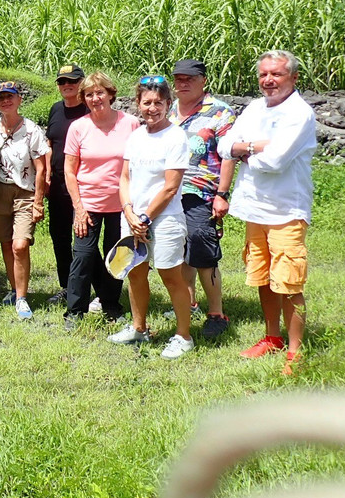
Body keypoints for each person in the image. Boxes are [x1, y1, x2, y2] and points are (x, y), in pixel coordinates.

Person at [219, 50, 317, 375]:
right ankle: (272, 336)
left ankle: (295, 351)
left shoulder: (299, 114)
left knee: (288, 282)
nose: (268, 80)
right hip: (253, 207)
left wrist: (245, 149)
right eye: (264, 74)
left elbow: (275, 162)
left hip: (286, 210)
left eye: (276, 74)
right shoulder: (254, 107)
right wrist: (257, 146)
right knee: (262, 277)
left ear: (293, 78)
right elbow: (224, 146)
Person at [110, 76, 194, 359]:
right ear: (138, 104)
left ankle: (184, 336)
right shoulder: (135, 137)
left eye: (159, 102)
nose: (152, 108)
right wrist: (128, 211)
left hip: (165, 219)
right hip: (133, 217)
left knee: (172, 277)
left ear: (169, 104)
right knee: (135, 274)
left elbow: (170, 187)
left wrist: (143, 218)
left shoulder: (175, 137)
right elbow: (124, 178)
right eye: (147, 102)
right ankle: (139, 328)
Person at [63, 71, 141, 329]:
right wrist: (79, 207)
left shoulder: (130, 123)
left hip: (121, 205)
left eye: (100, 92)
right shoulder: (78, 127)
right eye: (89, 94)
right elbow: (69, 170)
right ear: (84, 98)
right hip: (88, 204)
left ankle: (110, 304)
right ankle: (75, 311)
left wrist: (134, 204)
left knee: (116, 256)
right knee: (83, 255)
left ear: (110, 94)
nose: (95, 98)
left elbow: (138, 165)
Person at [168, 58, 237, 339]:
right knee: (178, 248)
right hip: (170, 191)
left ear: (203, 81)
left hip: (202, 190)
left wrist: (222, 194)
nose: (183, 83)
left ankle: (217, 312)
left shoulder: (221, 112)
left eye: (189, 78)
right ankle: (189, 302)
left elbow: (229, 154)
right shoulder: (168, 110)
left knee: (201, 246)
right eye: (178, 78)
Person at [0, 81, 48, 320]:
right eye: (1, 98)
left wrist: (38, 202)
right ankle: (14, 290)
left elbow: (41, 169)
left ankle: (22, 298)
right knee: (5, 242)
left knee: (20, 245)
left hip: (25, 192)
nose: (6, 101)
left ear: (19, 99)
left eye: (10, 96)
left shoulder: (32, 130)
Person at [45, 64, 88, 306]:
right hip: (59, 185)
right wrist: (48, 176)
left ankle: (89, 286)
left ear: (81, 82)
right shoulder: (55, 110)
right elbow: (51, 144)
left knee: (84, 238)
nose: (66, 85)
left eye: (71, 81)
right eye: (62, 82)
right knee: (59, 236)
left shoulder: (89, 110)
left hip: (84, 184)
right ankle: (66, 285)